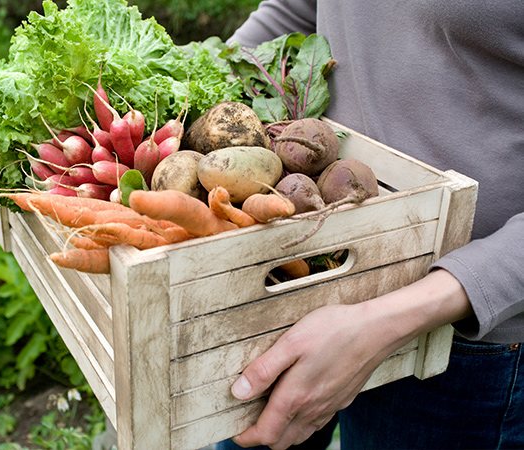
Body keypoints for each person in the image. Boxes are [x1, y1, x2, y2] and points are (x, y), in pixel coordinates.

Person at [216, 1, 524, 449]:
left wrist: (382, 324)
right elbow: (295, 9)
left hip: (461, 344)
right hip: (296, 263)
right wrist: (192, 92)